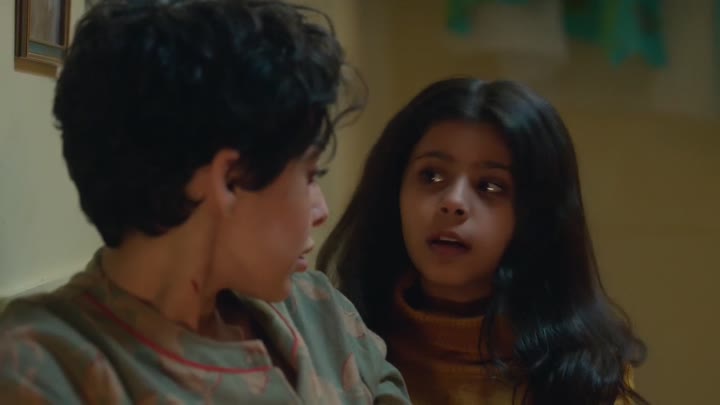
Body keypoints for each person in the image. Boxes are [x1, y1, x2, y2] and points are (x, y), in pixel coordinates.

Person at [0, 1, 410, 403]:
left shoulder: (321, 312)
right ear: (230, 180)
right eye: (310, 176)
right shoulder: (44, 369)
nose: (322, 211)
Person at [318, 78, 648, 404]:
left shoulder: (587, 379)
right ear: (395, 193)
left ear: (537, 215)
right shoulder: (335, 345)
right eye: (431, 175)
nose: (453, 201)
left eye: (490, 186)